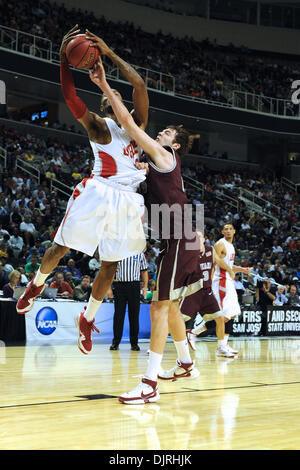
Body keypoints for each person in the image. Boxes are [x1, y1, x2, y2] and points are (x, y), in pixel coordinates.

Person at [16, 26, 149, 358]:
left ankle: (87, 320)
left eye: (115, 95)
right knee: (61, 246)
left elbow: (140, 85)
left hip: (129, 200)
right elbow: (71, 97)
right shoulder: (99, 127)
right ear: (104, 105)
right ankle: (36, 284)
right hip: (99, 191)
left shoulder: (138, 128)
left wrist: (108, 52)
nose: (111, 97)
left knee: (111, 266)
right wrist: (64, 58)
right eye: (106, 97)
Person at [89, 57, 204, 404]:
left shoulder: (164, 155)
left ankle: (149, 386)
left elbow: (127, 120)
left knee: (157, 309)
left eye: (167, 133)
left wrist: (105, 87)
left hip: (180, 241)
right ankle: (185, 363)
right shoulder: (160, 163)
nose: (160, 133)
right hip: (179, 241)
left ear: (176, 144)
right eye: (163, 130)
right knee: (168, 309)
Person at [180, 231, 235, 355]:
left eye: (199, 237)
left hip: (207, 292)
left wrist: (230, 270)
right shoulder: (188, 253)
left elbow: (218, 262)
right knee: (178, 319)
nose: (197, 239)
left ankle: (221, 347)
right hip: (192, 292)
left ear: (204, 239)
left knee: (220, 318)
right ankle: (155, 347)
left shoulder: (210, 250)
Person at [212, 223, 251, 356]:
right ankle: (218, 345)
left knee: (233, 312)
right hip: (220, 280)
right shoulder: (220, 243)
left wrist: (242, 270)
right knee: (222, 315)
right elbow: (215, 260)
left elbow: (229, 264)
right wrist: (229, 270)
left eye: (230, 229)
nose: (228, 231)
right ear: (222, 231)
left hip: (228, 280)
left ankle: (224, 344)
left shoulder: (231, 246)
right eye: (226, 229)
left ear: (234, 231)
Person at [110, 254, 149, 351]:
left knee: (134, 315)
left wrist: (145, 287)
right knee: (118, 315)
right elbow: (111, 271)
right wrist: (108, 288)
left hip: (134, 286)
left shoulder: (139, 254)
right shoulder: (118, 252)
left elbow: (144, 271)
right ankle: (116, 342)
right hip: (119, 286)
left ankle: (134, 343)